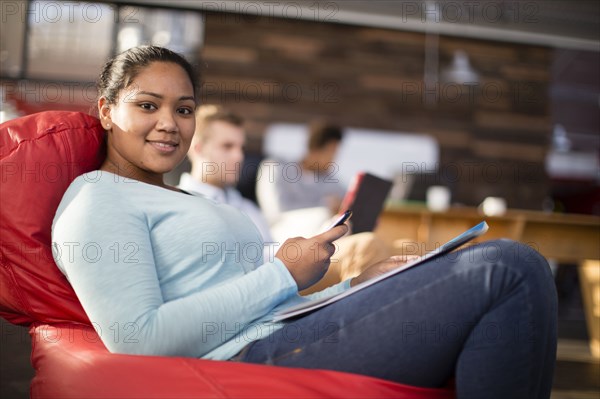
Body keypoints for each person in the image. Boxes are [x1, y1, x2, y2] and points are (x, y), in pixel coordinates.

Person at [52, 46, 557, 398]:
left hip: (294, 325)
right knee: (508, 268)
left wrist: (356, 288)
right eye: (147, 105)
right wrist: (282, 273)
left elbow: (265, 300)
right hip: (256, 354)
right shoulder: (97, 199)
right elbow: (138, 339)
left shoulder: (174, 197)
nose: (169, 123)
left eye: (184, 109)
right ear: (105, 110)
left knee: (504, 261)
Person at [179, 104, 390, 294]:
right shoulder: (183, 204)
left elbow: (273, 244)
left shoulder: (245, 205)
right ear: (198, 148)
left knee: (397, 247)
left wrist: (320, 236)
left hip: (285, 267)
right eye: (227, 146)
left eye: (240, 148)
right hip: (261, 286)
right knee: (363, 247)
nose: (239, 156)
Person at [256, 121, 346, 226]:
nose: (334, 159)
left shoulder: (331, 182)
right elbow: (275, 213)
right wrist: (325, 207)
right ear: (315, 149)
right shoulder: (275, 169)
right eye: (331, 153)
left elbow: (347, 201)